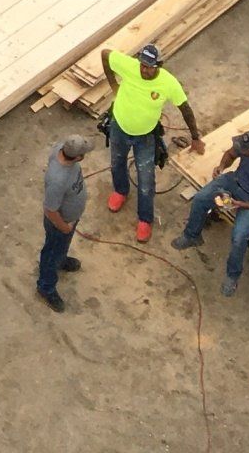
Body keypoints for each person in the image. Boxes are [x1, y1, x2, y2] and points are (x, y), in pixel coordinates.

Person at [100, 38, 204, 241]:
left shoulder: (168, 83)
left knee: (146, 179)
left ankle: (145, 219)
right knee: (116, 163)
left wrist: (195, 137)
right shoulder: (129, 66)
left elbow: (185, 108)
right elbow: (105, 54)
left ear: (160, 66)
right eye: (142, 65)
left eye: (149, 67)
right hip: (119, 127)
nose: (144, 70)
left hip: (145, 136)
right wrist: (114, 85)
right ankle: (120, 191)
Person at [173, 128, 249, 295]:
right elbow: (230, 154)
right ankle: (192, 236)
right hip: (233, 181)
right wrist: (221, 167)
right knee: (200, 198)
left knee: (239, 236)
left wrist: (242, 204)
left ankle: (232, 276)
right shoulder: (246, 147)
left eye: (244, 151)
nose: (240, 150)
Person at [37, 133, 92, 311]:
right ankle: (46, 287)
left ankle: (61, 260)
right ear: (77, 157)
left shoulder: (61, 148)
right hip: (60, 224)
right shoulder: (57, 180)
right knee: (51, 252)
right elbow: (50, 210)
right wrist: (64, 227)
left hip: (69, 219)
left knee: (60, 248)